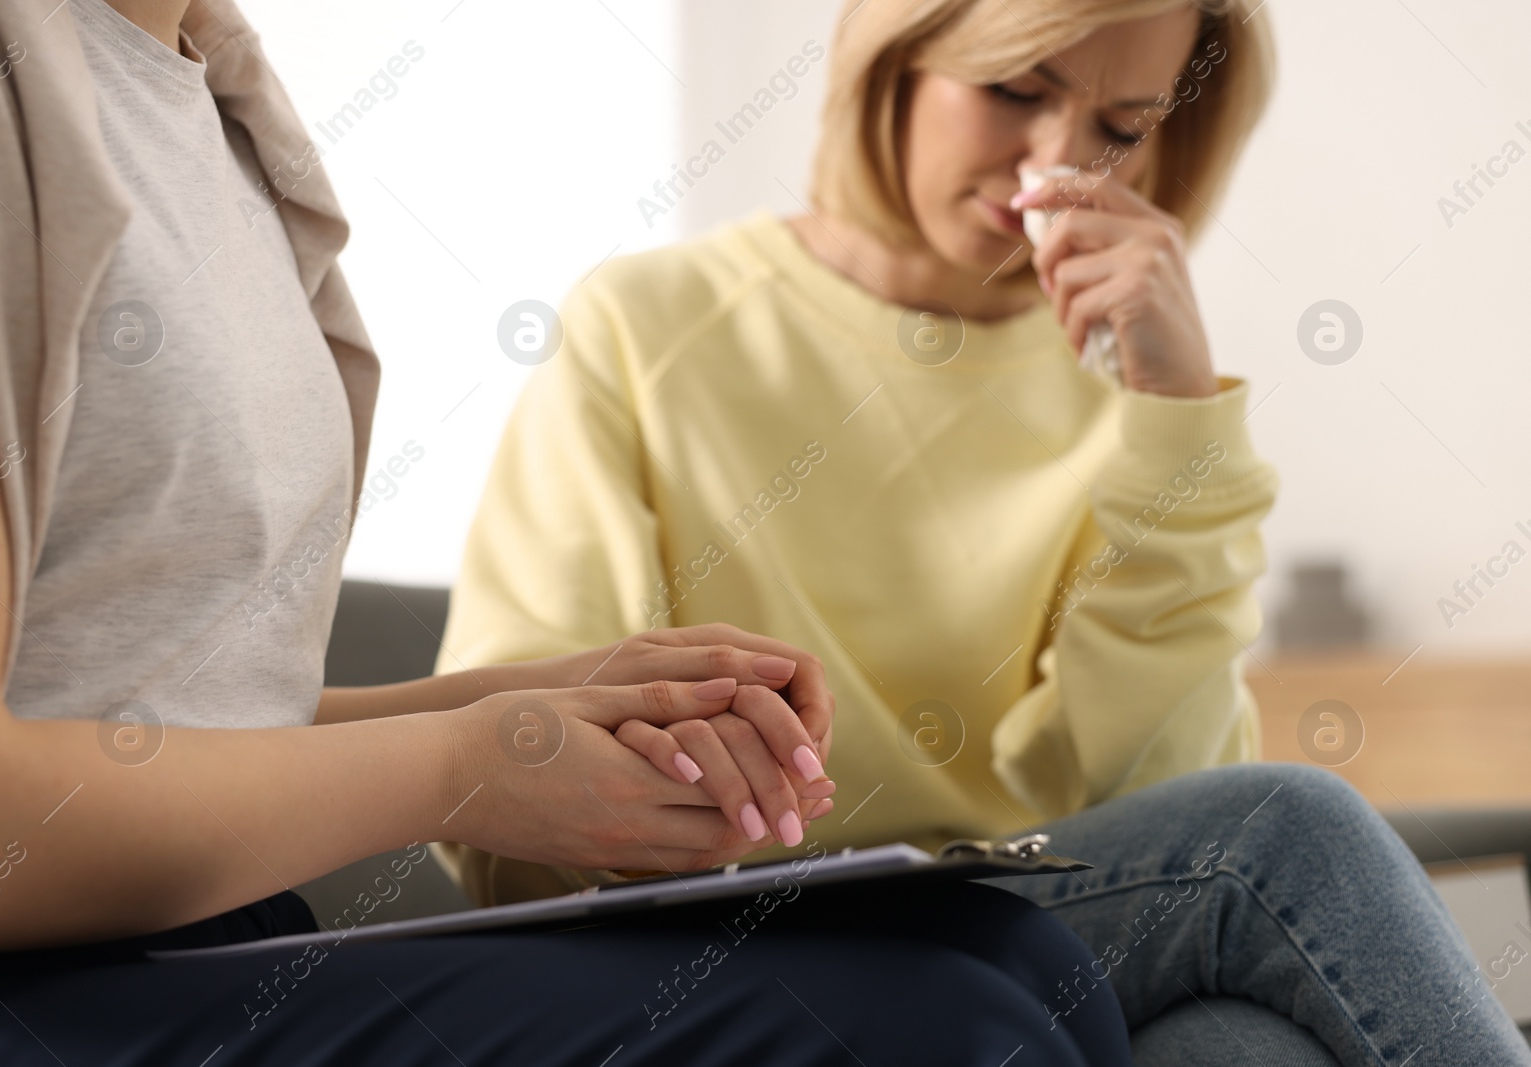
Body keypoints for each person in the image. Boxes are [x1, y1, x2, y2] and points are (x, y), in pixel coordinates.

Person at [0, 0, 1137, 1063]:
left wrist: (532, 702)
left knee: (1015, 953)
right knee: (949, 1025)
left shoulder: (206, 93)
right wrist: (472, 768)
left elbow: (155, 703)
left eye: (1123, 124)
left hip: (214, 935)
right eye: (1015, 89)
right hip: (19, 990)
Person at [434, 0, 1531, 1063]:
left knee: (1237, 1047)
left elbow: (1167, 789)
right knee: (1287, 830)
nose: (1058, 165)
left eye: (1121, 127)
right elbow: (511, 803)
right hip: (737, 941)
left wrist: (1180, 425)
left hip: (1039, 922)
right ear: (897, 57)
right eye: (1015, 88)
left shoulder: (1128, 380)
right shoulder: (646, 326)